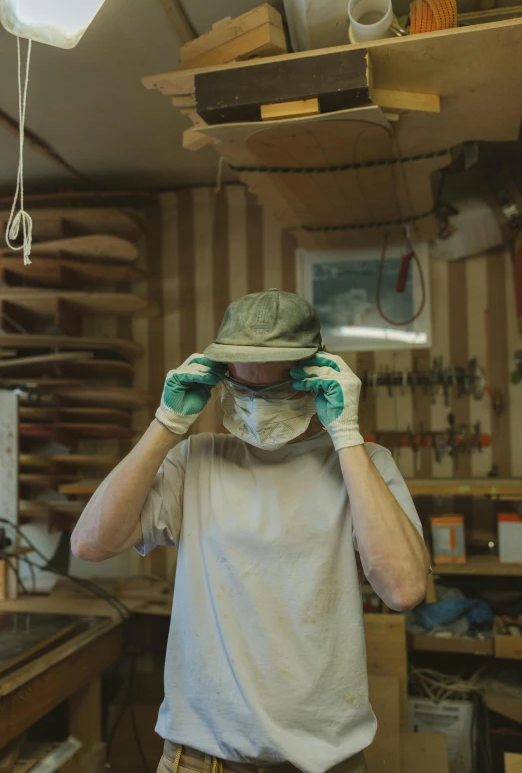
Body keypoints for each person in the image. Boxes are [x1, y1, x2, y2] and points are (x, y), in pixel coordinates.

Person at [72, 289, 430, 773]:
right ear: (223, 378)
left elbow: (404, 589)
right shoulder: (197, 460)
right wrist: (166, 423)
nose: (260, 406)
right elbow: (91, 543)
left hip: (324, 760)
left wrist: (347, 435)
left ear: (316, 377)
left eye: (276, 391)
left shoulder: (364, 468)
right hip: (199, 758)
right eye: (245, 390)